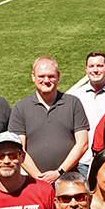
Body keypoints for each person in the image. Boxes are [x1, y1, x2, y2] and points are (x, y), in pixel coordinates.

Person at [10, 56, 90, 185]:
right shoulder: (21, 107)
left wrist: (60, 172)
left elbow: (83, 143)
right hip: (35, 182)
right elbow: (18, 148)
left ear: (58, 76)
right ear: (33, 76)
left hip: (69, 180)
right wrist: (40, 178)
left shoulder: (73, 103)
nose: (46, 80)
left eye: (51, 76)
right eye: (41, 76)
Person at [66, 52, 105, 162]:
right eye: (91, 66)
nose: (95, 70)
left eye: (100, 66)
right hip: (82, 159)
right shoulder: (76, 95)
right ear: (86, 69)